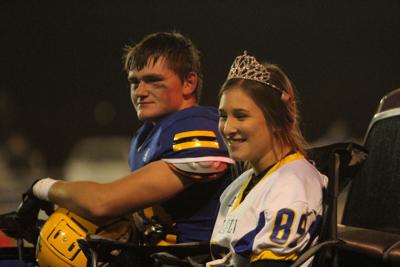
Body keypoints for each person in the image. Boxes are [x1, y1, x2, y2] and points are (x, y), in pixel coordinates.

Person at [6, 31, 235, 265]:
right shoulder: (146, 135)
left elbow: (103, 202)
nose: (140, 91)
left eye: (154, 81)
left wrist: (41, 187)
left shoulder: (198, 129)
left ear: (188, 82)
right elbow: (135, 212)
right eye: (135, 82)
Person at [207, 51, 328, 267]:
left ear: (277, 121)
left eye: (241, 116)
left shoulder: (293, 185)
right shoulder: (239, 185)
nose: (227, 128)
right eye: (223, 116)